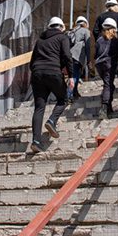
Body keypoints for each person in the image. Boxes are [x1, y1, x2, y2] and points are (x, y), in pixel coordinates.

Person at [28, 16, 72, 154]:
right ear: (61, 27)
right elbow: (67, 55)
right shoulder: (62, 37)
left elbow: (32, 61)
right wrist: (71, 75)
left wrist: (37, 71)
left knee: (39, 107)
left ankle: (35, 141)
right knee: (64, 98)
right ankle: (52, 121)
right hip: (53, 72)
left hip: (37, 74)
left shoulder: (40, 40)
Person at [94, 18, 118, 119]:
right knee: (108, 85)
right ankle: (104, 107)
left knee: (109, 85)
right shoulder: (114, 41)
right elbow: (116, 55)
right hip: (108, 64)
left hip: (99, 64)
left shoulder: (99, 40)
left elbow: (96, 54)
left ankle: (108, 107)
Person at [68, 15, 91, 100]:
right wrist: (89, 60)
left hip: (69, 56)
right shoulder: (85, 31)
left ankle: (75, 92)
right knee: (75, 75)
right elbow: (88, 46)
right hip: (77, 56)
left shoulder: (72, 31)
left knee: (73, 74)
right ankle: (69, 94)